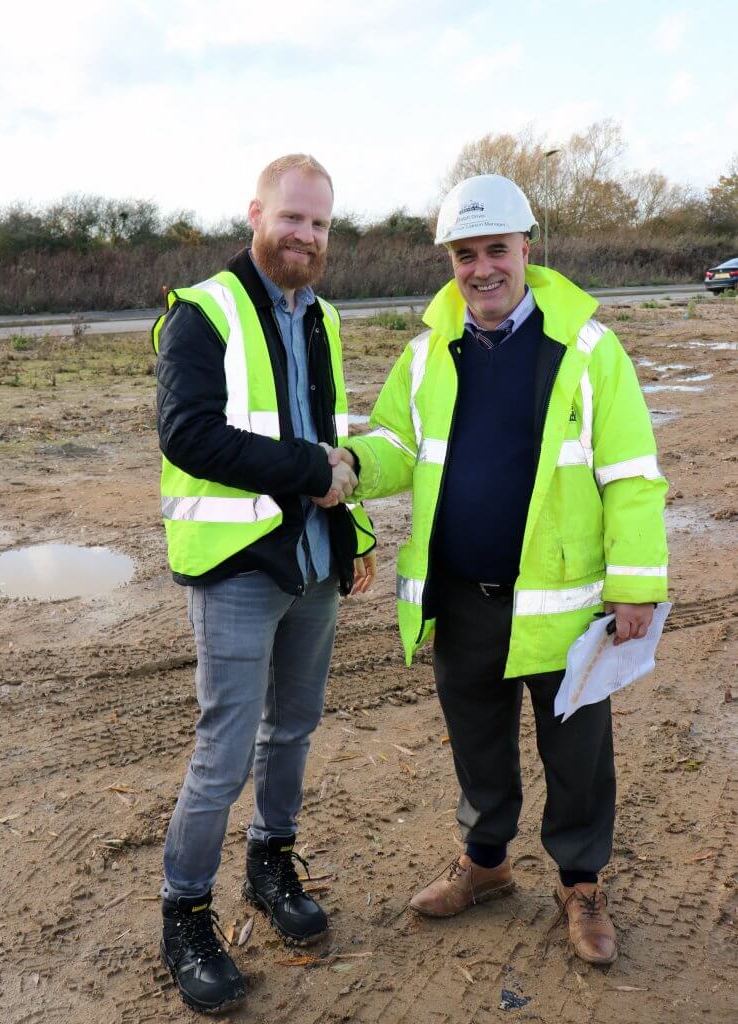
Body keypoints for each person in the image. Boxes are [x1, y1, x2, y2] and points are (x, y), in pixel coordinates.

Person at [328, 174, 668, 966]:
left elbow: (631, 473)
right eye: (463, 254)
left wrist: (636, 584)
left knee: (576, 751)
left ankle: (580, 883)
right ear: (450, 260)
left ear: (527, 246)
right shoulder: (424, 356)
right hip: (462, 593)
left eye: (494, 250)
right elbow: (397, 448)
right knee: (477, 743)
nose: (480, 269)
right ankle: (485, 864)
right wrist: (347, 462)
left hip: (565, 602)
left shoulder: (587, 350)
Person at [152, 153, 376, 1013]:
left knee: (294, 731)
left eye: (319, 224)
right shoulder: (202, 313)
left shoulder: (320, 316)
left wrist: (349, 526)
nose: (306, 236)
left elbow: (330, 437)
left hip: (314, 562)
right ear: (255, 213)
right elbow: (189, 436)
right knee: (222, 752)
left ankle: (270, 866)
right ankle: (185, 912)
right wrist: (310, 475)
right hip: (237, 569)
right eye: (292, 218)